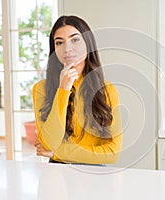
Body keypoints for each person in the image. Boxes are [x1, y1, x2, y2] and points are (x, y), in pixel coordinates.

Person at [33, 15, 123, 165]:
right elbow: (49, 144)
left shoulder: (107, 90)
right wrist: (63, 89)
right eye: (59, 42)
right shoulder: (41, 89)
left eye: (75, 40)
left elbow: (113, 153)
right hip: (57, 175)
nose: (67, 48)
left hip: (95, 174)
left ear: (88, 43)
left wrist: (58, 152)